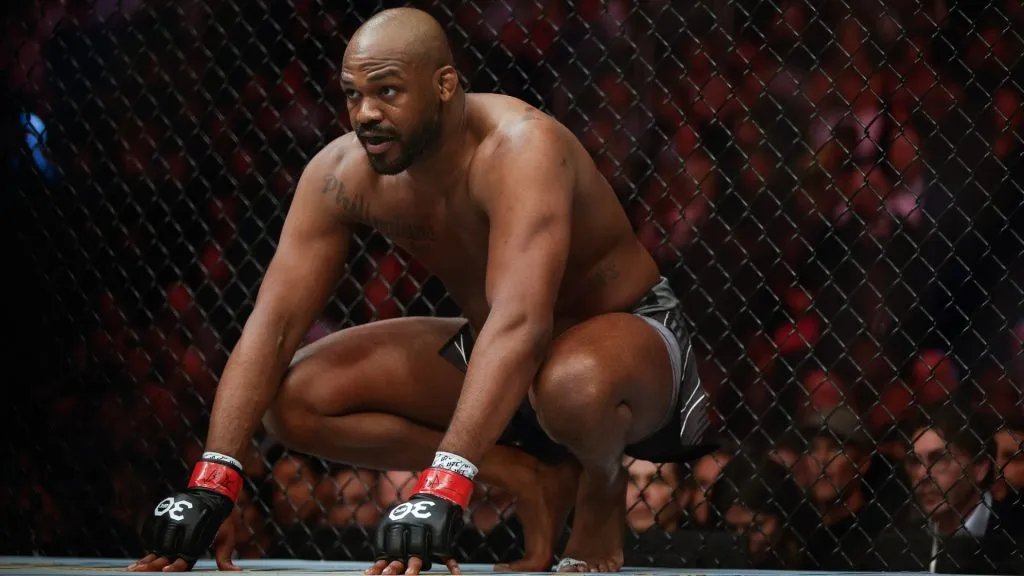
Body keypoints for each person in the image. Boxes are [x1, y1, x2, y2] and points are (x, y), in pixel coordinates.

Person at [128, 7, 712, 574]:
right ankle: (526, 477)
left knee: (572, 383)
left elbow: (524, 325)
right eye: (353, 94)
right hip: (502, 352)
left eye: (387, 91)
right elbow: (272, 323)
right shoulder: (339, 174)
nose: (365, 114)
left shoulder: (520, 148)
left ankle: (601, 487)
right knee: (296, 402)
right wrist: (215, 478)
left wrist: (445, 480)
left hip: (627, 345)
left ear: (444, 85)